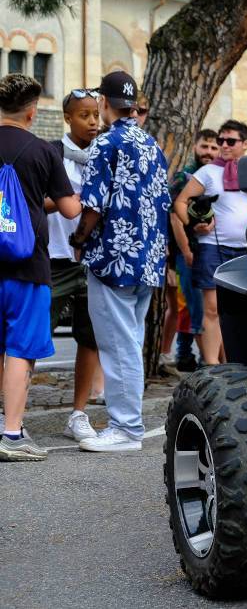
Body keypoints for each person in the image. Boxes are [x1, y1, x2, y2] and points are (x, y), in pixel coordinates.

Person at [69, 70, 170, 453]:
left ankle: (126, 428)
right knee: (131, 340)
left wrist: (79, 239)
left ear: (103, 101)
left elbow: (93, 204)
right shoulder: (150, 144)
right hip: (147, 258)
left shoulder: (105, 144)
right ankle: (128, 423)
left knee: (118, 344)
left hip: (113, 256)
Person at [0, 74, 82, 461]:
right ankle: (12, 435)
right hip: (27, 264)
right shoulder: (43, 151)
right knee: (19, 349)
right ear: (32, 111)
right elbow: (69, 209)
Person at [47, 89, 104, 441]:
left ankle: (78, 414)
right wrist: (72, 201)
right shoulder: (51, 153)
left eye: (96, 114)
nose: (94, 122)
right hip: (53, 257)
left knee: (90, 338)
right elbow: (33, 202)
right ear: (68, 117)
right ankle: (11, 411)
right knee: (31, 338)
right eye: (85, 115)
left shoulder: (104, 153)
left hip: (92, 259)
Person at [174, 120, 247, 365]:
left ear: (246, 144)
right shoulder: (208, 172)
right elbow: (180, 202)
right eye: (221, 141)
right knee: (212, 309)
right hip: (212, 247)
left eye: (231, 141)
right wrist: (194, 224)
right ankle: (211, 365)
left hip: (245, 250)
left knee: (239, 312)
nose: (224, 146)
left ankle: (233, 364)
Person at [163, 129, 219, 372]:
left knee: (195, 307)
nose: (209, 152)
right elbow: (175, 218)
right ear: (195, 147)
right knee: (193, 307)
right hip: (187, 254)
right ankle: (188, 357)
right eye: (204, 146)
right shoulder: (183, 179)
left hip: (209, 253)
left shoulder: (215, 178)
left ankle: (187, 357)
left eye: (213, 147)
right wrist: (186, 252)